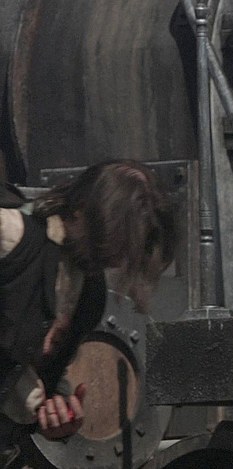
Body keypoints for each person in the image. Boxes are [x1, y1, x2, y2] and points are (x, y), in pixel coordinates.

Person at [0, 160, 176, 464]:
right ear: (82, 207)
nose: (117, 255)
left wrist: (53, 411)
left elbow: (38, 379)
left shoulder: (88, 296)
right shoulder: (12, 235)